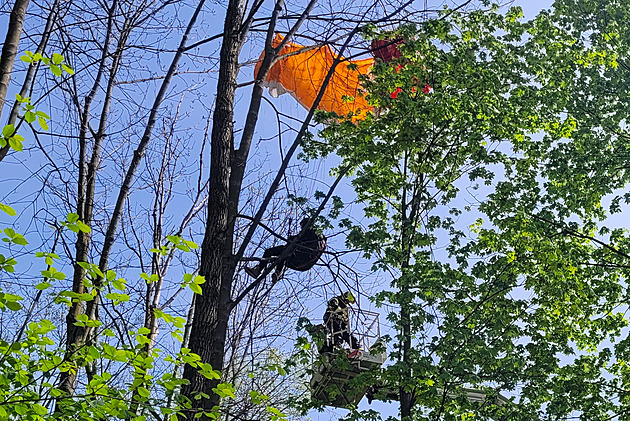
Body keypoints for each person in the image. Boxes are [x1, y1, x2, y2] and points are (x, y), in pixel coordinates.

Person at [244, 218, 326, 281]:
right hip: (304, 264)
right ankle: (277, 273)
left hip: (302, 257)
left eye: (302, 226)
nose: (301, 229)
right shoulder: (320, 240)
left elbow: (299, 240)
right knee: (284, 255)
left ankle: (259, 269)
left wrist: (292, 239)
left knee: (272, 252)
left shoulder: (311, 232)